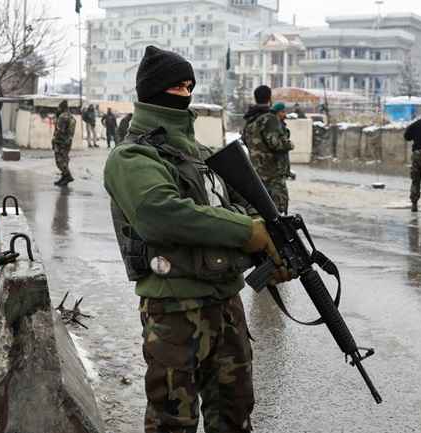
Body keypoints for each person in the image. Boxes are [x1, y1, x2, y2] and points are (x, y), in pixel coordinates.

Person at [104, 45, 291, 433]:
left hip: (224, 300)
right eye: (177, 85)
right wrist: (247, 232)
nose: (186, 90)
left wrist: (268, 244)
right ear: (152, 90)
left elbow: (242, 204)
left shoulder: (201, 154)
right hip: (174, 309)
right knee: (174, 418)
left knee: (235, 410)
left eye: (190, 84)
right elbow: (162, 214)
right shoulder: (133, 157)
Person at [242, 86, 294, 215]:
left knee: (261, 210)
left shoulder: (250, 119)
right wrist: (289, 144)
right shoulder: (269, 118)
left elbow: (245, 140)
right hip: (272, 173)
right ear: (269, 98)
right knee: (277, 211)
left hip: (257, 171)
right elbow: (276, 144)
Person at [52, 100, 76, 187]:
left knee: (59, 161)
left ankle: (67, 176)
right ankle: (64, 177)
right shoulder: (71, 116)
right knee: (65, 159)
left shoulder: (62, 117)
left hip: (61, 142)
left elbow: (59, 130)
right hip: (68, 142)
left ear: (62, 107)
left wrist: (54, 140)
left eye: (59, 107)